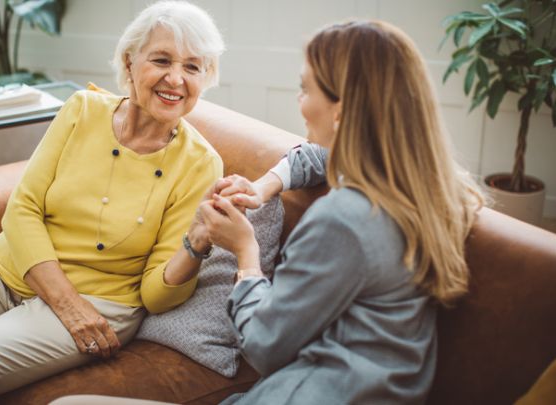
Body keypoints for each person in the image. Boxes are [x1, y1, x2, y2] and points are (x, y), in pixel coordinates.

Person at [0, 2, 225, 404]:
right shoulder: (82, 110)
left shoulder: (201, 165)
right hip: (11, 267)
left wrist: (196, 245)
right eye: (162, 59)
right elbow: (23, 206)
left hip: (101, 299)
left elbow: (155, 296)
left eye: (193, 67)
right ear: (130, 63)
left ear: (206, 78)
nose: (175, 79)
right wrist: (63, 300)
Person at [198, 20, 485, 404]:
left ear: (342, 110)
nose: (299, 102)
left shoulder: (344, 220)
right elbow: (323, 156)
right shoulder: (430, 187)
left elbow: (264, 347)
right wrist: (264, 186)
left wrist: (245, 253)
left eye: (305, 89)